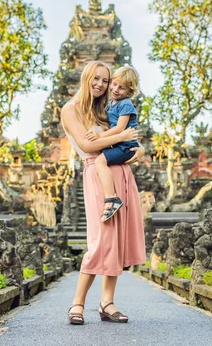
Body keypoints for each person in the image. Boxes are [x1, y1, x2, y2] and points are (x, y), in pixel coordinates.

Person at [61, 60, 146, 325]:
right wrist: (122, 138)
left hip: (120, 172)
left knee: (117, 239)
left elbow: (124, 138)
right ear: (86, 77)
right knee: (101, 239)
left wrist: (137, 149)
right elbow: (87, 143)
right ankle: (78, 303)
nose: (101, 84)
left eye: (105, 80)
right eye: (96, 78)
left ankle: (107, 302)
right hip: (97, 175)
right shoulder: (71, 109)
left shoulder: (105, 109)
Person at [84, 66, 140, 223]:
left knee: (100, 161)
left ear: (130, 91)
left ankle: (112, 198)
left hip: (125, 146)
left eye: (121, 88)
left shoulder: (126, 104)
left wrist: (99, 136)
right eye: (114, 84)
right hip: (119, 144)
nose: (115, 89)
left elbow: (120, 128)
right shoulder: (110, 103)